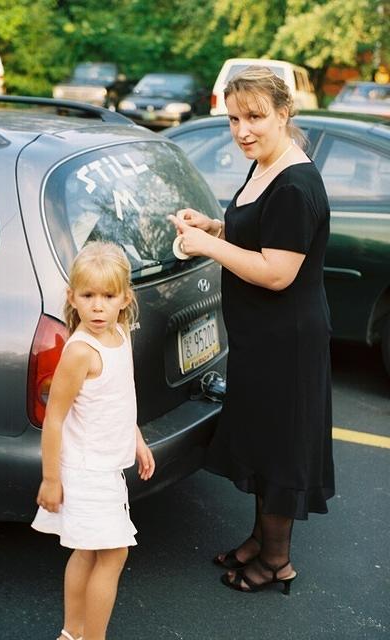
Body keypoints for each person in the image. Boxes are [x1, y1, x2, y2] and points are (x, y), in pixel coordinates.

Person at [169, 66, 334, 595]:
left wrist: (208, 247)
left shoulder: (294, 183)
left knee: (279, 449)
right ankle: (259, 542)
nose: (242, 130)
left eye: (255, 117)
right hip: (261, 338)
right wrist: (215, 226)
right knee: (263, 442)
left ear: (284, 114)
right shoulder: (265, 165)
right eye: (234, 118)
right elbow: (256, 231)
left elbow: (277, 271)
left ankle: (275, 564)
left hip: (287, 342)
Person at [31, 241, 155, 640]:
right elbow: (54, 419)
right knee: (114, 553)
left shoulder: (119, 333)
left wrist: (136, 438)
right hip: (86, 470)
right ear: (73, 297)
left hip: (106, 465)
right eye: (88, 296)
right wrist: (51, 480)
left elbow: (121, 395)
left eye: (108, 296)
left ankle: (71, 633)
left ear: (124, 298)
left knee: (87, 550)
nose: (98, 306)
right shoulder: (80, 351)